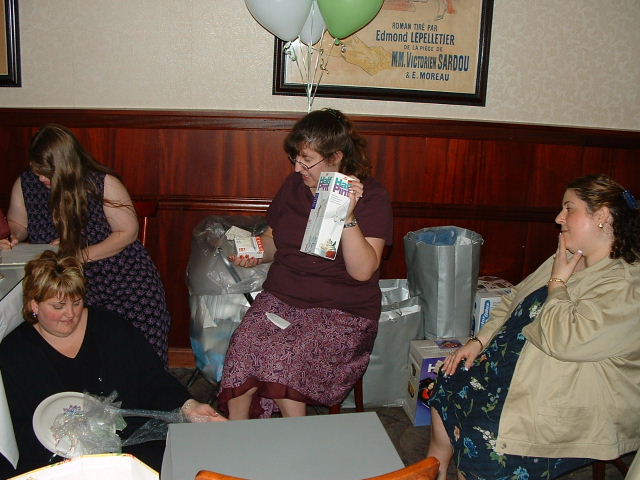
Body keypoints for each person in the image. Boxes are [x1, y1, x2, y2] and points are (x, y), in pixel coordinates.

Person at [427, 174, 640, 480]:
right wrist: (479, 341)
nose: (559, 218)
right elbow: (514, 299)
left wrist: (558, 284)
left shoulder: (627, 284)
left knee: (483, 439)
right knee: (449, 377)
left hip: (564, 397)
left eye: (569, 209)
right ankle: (431, 470)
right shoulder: (568, 255)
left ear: (602, 216)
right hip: (515, 370)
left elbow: (565, 340)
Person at [217, 108, 393, 419]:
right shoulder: (294, 186)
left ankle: (296, 438)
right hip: (282, 297)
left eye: (306, 160)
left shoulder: (372, 196)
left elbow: (363, 271)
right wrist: (256, 253)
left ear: (336, 157)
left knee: (283, 358)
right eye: (295, 158)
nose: (297, 168)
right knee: (242, 347)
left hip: (341, 310)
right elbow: (275, 239)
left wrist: (347, 216)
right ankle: (235, 432)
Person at [0, 250, 226, 476]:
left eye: (77, 302)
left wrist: (189, 406)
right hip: (56, 455)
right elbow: (20, 428)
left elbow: (152, 378)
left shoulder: (110, 327)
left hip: (129, 442)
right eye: (58, 306)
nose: (70, 314)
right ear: (34, 305)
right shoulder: (15, 352)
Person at [0, 124, 171, 366]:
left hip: (116, 272)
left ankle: (141, 382)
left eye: (48, 173)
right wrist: (14, 235)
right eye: (37, 170)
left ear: (67, 166)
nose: (41, 178)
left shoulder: (101, 182)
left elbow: (127, 233)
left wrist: (78, 255)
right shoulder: (26, 182)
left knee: (140, 318)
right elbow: (18, 222)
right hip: (63, 277)